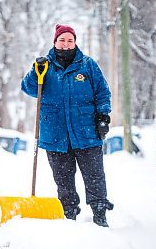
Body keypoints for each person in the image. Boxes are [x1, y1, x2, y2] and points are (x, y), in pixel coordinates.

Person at [21, 23, 114, 227]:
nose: (66, 44)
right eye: (61, 40)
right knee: (63, 180)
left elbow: (102, 92)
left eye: (69, 40)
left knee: (94, 176)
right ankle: (69, 214)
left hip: (86, 133)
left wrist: (103, 116)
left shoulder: (87, 65)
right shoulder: (45, 67)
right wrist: (35, 71)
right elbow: (28, 88)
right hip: (55, 135)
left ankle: (99, 213)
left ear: (75, 42)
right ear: (54, 42)